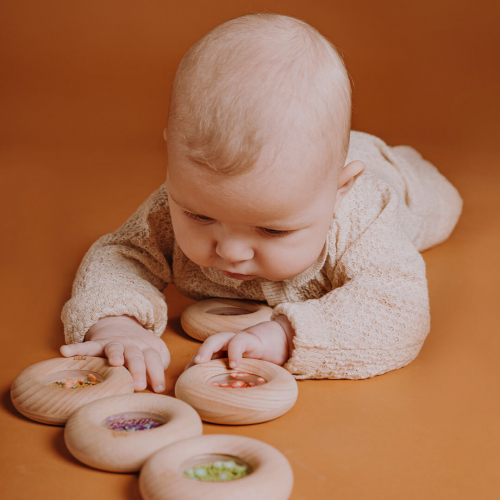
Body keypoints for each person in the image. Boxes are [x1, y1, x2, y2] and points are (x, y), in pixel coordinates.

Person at [60, 13, 462, 393]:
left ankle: (402, 161)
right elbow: (120, 255)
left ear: (338, 193)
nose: (230, 251)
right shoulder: (176, 199)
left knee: (444, 206)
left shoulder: (363, 215)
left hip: (386, 174)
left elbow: (397, 310)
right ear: (173, 162)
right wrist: (116, 322)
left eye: (273, 229)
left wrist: (289, 335)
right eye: (200, 216)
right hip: (303, 169)